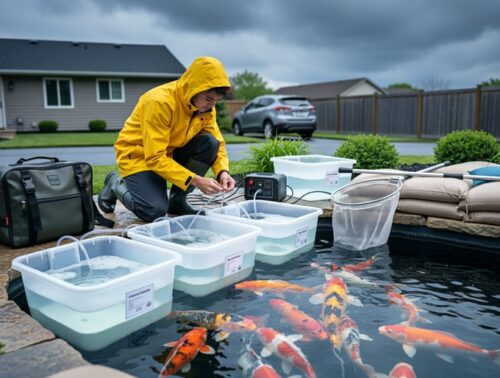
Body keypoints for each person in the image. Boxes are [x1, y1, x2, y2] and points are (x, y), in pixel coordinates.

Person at [98, 56, 236, 221]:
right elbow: (155, 157)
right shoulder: (160, 102)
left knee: (209, 143)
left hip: (169, 154)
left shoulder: (205, 110)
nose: (212, 105)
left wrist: (222, 172)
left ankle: (177, 201)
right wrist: (196, 181)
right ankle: (115, 184)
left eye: (216, 101)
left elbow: (218, 144)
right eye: (209, 99)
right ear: (195, 88)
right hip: (139, 156)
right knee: (153, 211)